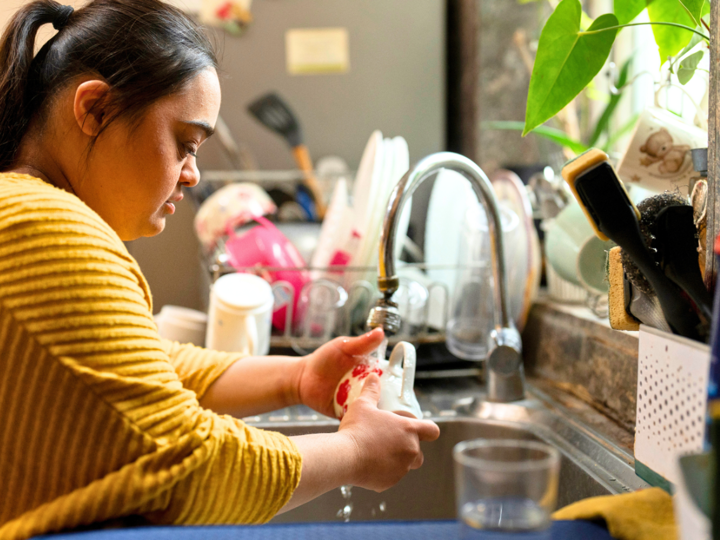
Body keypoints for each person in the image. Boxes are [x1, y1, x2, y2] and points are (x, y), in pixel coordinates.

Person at [0, 1, 440, 538]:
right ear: (94, 110)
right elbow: (185, 462)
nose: (192, 175)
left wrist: (298, 378)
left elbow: (146, 368)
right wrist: (354, 452)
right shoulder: (46, 225)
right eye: (185, 143)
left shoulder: (21, 210)